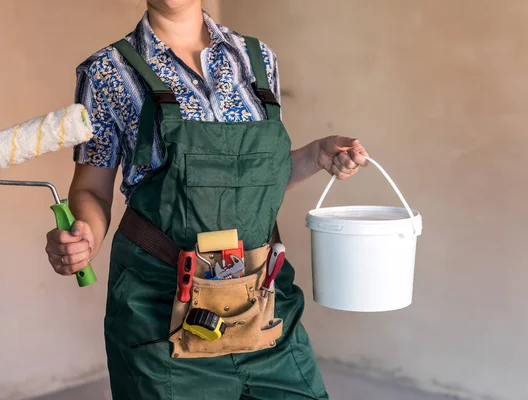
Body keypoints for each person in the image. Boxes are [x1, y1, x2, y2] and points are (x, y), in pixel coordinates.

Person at [45, 1, 369, 398]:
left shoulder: (257, 59)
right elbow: (92, 188)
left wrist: (314, 156)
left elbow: (253, 181)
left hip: (261, 301)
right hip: (161, 309)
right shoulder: (107, 70)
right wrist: (85, 236)